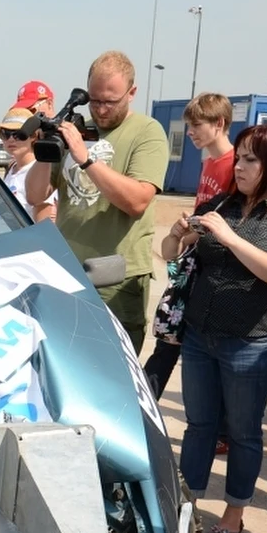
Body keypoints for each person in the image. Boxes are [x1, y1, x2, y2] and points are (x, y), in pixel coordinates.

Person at [160, 124, 267, 533]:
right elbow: (170, 255)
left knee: (244, 432)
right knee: (198, 426)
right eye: (241, 157)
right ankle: (187, 503)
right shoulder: (224, 202)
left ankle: (235, 511)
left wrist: (230, 238)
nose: (241, 166)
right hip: (200, 335)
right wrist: (177, 235)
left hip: (253, 342)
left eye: (251, 159)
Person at [24, 51, 171, 353]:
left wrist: (86, 159)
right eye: (95, 100)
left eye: (110, 101)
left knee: (114, 368)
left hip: (116, 279)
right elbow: (34, 195)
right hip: (69, 272)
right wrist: (46, 147)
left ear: (132, 92)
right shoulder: (77, 131)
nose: (101, 109)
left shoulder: (147, 132)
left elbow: (138, 201)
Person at [144, 93, 236, 401]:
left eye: (196, 125)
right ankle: (144, 404)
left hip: (211, 269)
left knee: (192, 351)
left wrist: (190, 232)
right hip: (192, 263)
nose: (191, 133)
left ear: (219, 123)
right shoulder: (209, 163)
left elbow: (222, 218)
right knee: (169, 340)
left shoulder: (232, 165)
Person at [0, 106, 55, 223]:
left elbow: (42, 227)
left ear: (33, 136)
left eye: (18, 134)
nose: (11, 139)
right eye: (5, 134)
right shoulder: (12, 167)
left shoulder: (40, 172)